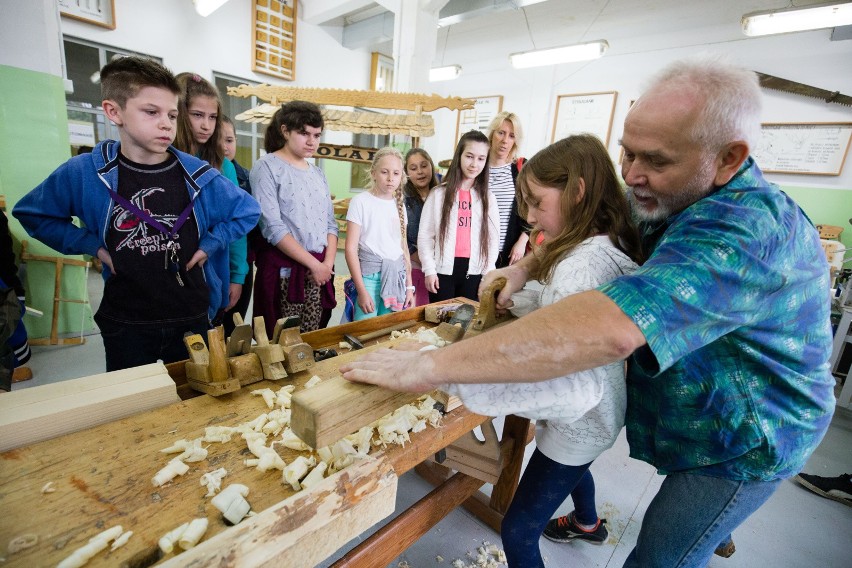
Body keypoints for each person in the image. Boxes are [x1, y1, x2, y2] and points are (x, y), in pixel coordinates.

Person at [341, 57, 836, 567]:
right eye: (627, 154)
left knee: (661, 556)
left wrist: (429, 368)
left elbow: (610, 328)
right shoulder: (666, 187)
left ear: (728, 158)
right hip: (691, 415)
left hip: (746, 435)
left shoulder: (748, 230)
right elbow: (593, 216)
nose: (632, 174)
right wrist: (527, 267)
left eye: (655, 161)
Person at [446, 134, 642, 567]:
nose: (531, 219)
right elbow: (563, 309)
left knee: (517, 529)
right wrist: (517, 297)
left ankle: (584, 522)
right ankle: (589, 523)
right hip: (598, 415)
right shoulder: (600, 242)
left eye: (537, 203)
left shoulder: (580, 266)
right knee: (573, 467)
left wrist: (468, 377)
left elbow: (557, 367)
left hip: (581, 419)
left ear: (577, 192)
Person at [13, 56, 260, 372]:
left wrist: (211, 243)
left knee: (193, 401)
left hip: (190, 316)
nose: (166, 123)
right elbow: (33, 213)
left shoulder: (199, 174)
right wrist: (92, 246)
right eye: (151, 112)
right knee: (132, 405)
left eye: (172, 114)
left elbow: (248, 211)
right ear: (113, 111)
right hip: (126, 320)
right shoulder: (84, 173)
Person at [250, 100, 337, 336]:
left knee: (312, 340)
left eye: (317, 135)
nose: (312, 141)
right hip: (284, 270)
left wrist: (326, 265)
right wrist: (314, 264)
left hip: (318, 271)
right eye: (304, 133)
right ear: (285, 130)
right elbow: (272, 227)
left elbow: (331, 224)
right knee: (279, 343)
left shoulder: (317, 173)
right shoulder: (267, 166)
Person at [173, 72, 249, 331]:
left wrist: (237, 276)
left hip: (212, 272)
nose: (206, 125)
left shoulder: (222, 165)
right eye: (197, 115)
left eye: (213, 117)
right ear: (180, 112)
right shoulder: (161, 160)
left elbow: (238, 223)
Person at [418, 130, 499, 302]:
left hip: (475, 273)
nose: (474, 164)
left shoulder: (488, 198)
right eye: (469, 156)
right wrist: (430, 270)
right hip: (442, 272)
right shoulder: (438, 194)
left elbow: (493, 239)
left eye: (481, 158)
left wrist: (488, 274)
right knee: (440, 323)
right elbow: (426, 235)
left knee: (467, 325)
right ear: (459, 156)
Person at [345, 147, 414, 320]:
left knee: (386, 331)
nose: (390, 178)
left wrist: (409, 287)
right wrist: (361, 291)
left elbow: (403, 248)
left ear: (402, 177)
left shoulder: (400, 205)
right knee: (365, 330)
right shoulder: (360, 202)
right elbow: (350, 249)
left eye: (396, 173)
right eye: (385, 172)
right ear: (374, 173)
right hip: (369, 278)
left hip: (396, 275)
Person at [221, 115, 256, 335]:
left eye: (230, 140)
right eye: (219, 140)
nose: (224, 147)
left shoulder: (245, 177)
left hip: (243, 262)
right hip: (216, 261)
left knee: (234, 322)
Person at [485, 111, 529, 268]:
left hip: (508, 253)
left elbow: (532, 210)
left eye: (511, 136)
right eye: (501, 133)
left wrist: (522, 242)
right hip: (477, 252)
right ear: (492, 134)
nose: (505, 141)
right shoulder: (478, 168)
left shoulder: (521, 169)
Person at [403, 148, 440, 306]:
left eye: (424, 166)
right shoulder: (403, 200)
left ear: (431, 166)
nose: (420, 172)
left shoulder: (442, 194)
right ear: (406, 173)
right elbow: (401, 238)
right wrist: (426, 260)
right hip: (414, 269)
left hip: (440, 267)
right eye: (413, 168)